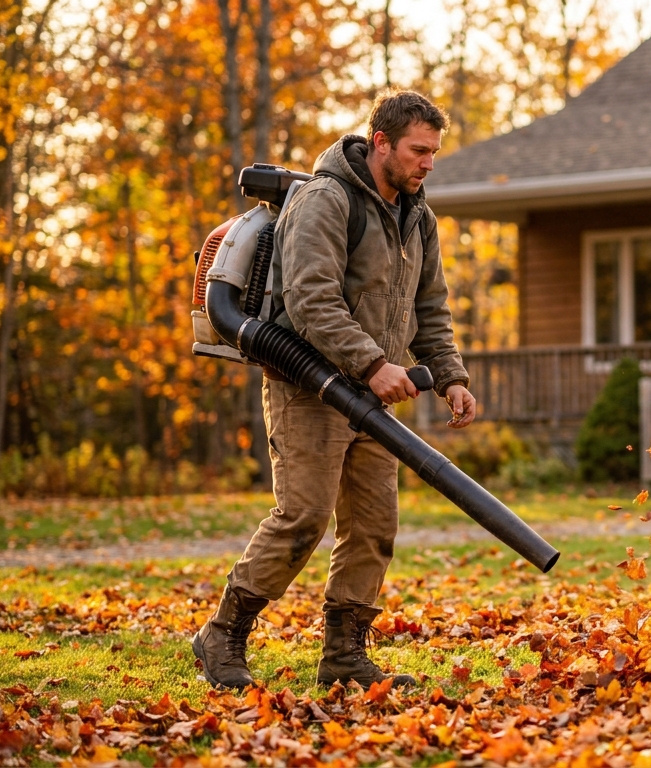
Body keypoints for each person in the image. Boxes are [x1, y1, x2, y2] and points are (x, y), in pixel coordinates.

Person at [193, 90, 475, 690]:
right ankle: (222, 635)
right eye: (419, 151)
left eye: (434, 153)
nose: (428, 163)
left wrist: (449, 375)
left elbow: (430, 306)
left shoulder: (416, 214)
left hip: (372, 395)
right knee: (303, 517)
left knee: (374, 525)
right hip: (310, 386)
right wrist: (373, 363)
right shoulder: (327, 200)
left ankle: (344, 656)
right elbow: (310, 299)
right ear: (381, 143)